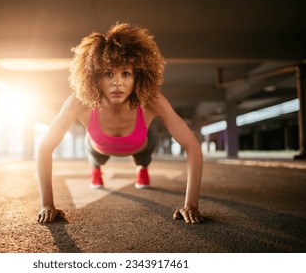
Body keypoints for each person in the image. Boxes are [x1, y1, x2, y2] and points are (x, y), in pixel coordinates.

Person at [37, 23, 203, 224]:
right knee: (95, 156)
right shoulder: (79, 101)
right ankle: (96, 169)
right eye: (108, 74)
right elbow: (45, 147)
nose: (117, 83)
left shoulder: (152, 100)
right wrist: (47, 204)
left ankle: (142, 168)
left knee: (145, 153)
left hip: (141, 144)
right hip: (98, 147)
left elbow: (191, 145)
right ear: (96, 77)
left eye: (125, 73)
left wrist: (191, 204)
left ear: (137, 76)